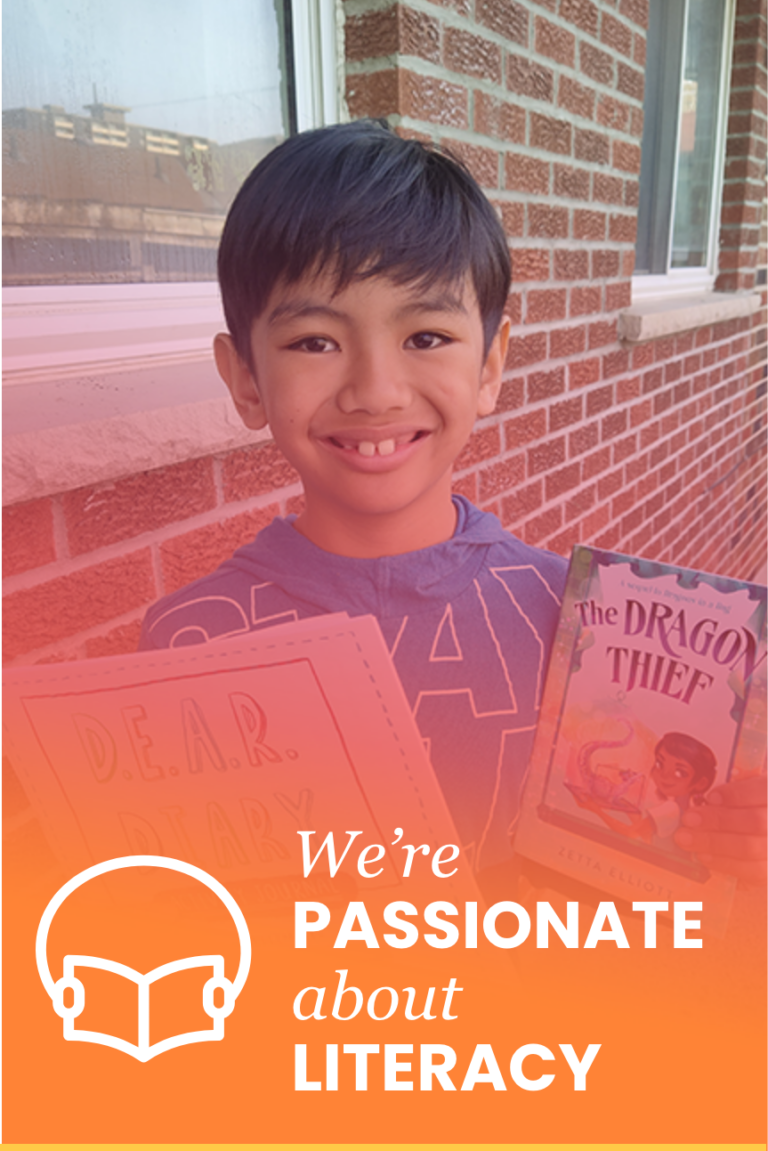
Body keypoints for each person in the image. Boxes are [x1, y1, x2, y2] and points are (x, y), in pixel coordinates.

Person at [140, 119, 768, 892]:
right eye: (314, 341)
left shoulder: (579, 627)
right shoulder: (189, 645)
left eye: (427, 335)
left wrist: (724, 846)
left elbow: (640, 897)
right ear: (243, 378)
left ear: (491, 364)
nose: (375, 390)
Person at [575, 731, 717, 849]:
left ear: (700, 783)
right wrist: (624, 805)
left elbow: (630, 834)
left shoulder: (671, 809)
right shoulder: (683, 810)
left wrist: (595, 809)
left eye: (680, 772)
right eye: (659, 763)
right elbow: (647, 832)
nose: (664, 775)